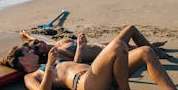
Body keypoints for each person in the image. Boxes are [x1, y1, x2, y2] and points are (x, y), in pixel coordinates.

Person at [1, 29, 178, 90]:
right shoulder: (31, 76)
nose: (32, 50)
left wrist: (79, 47)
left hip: (102, 76)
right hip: (87, 85)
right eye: (27, 50)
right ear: (21, 60)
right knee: (117, 45)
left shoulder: (52, 60)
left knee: (146, 52)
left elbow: (75, 64)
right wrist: (51, 66)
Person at [19, 25, 169, 63]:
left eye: (37, 43)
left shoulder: (55, 43)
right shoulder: (57, 53)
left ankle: (155, 48)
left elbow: (38, 39)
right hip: (106, 52)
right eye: (36, 47)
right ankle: (158, 52)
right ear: (40, 53)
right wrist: (80, 47)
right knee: (131, 30)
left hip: (101, 44)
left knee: (136, 45)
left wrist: (27, 35)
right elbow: (76, 62)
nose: (39, 44)